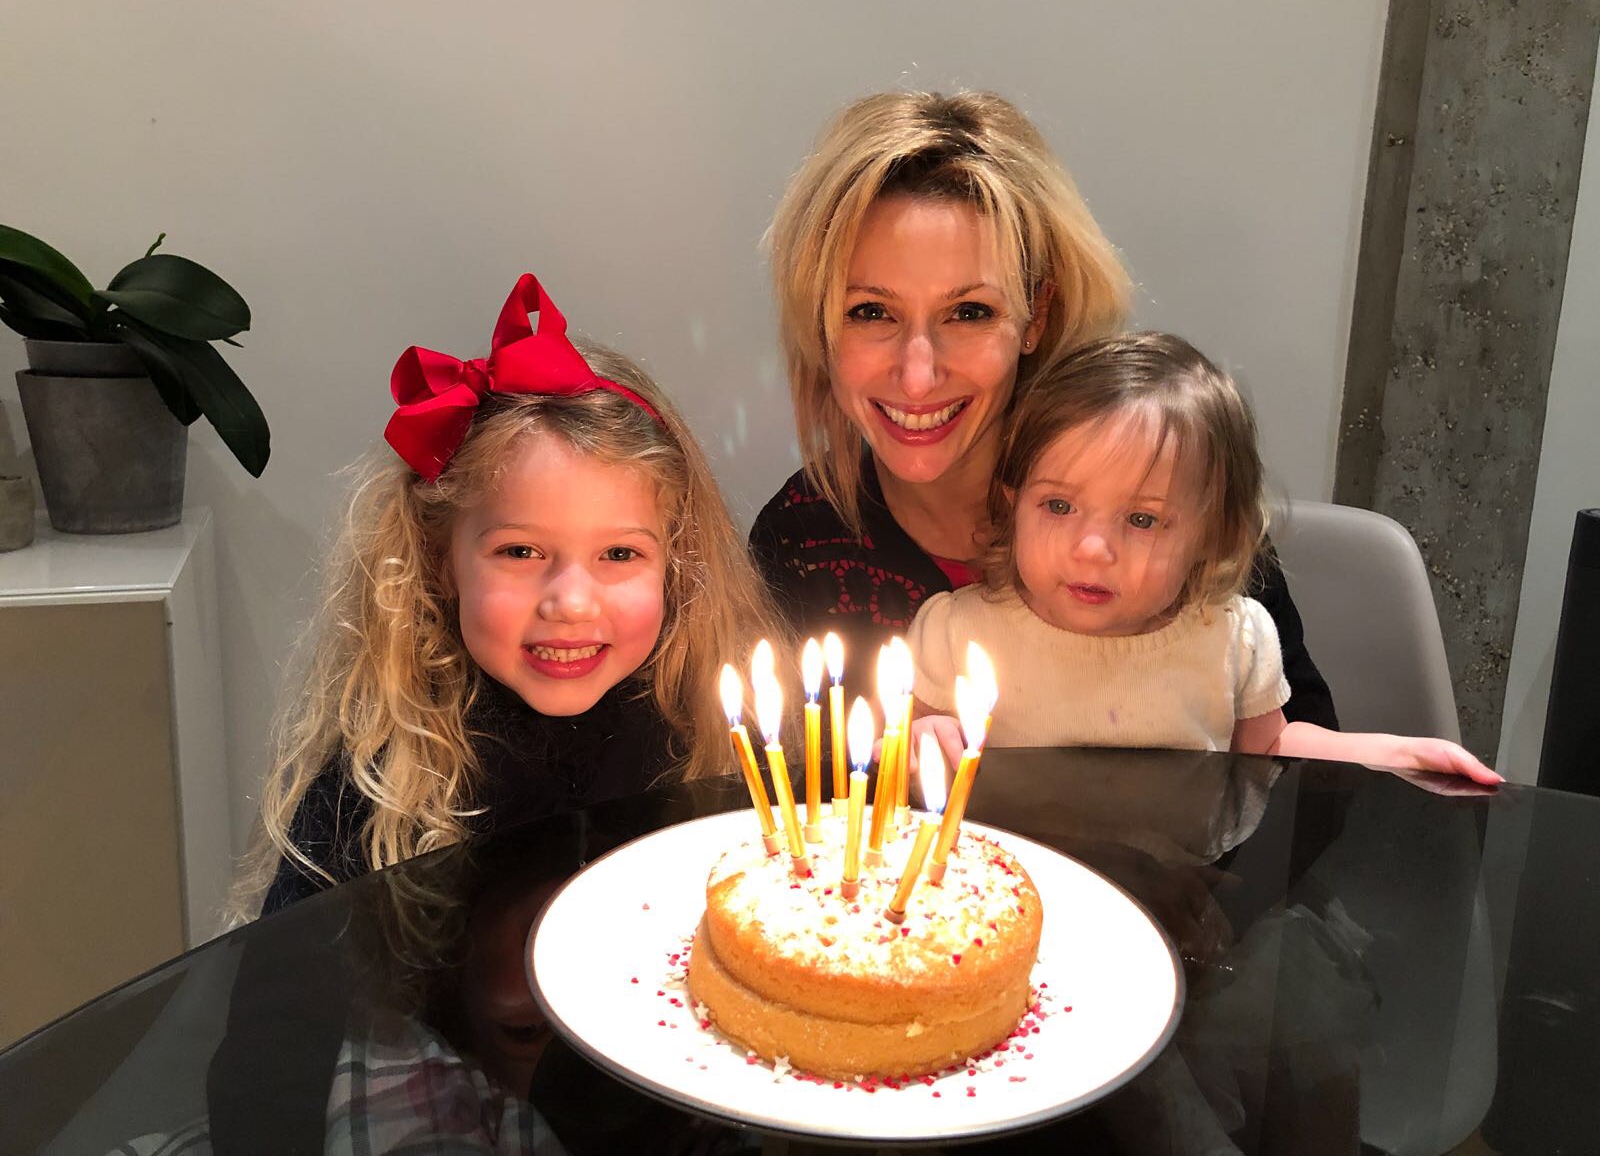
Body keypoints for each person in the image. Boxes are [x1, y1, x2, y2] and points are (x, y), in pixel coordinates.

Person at [751, 89, 1339, 729]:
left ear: (1039, 315)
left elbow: (1300, 792)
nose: (918, 375)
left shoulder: (1170, 485)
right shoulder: (800, 540)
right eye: (871, 312)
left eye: (970, 312)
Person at [234, 274, 782, 916]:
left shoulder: (717, 735)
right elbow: (290, 996)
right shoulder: (384, 770)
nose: (572, 602)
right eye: (521, 552)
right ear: (440, 561)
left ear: (676, 563)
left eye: (619, 554)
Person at [906, 331, 1500, 783]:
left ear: (1213, 536)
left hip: (1181, 908)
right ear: (1013, 505)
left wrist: (1393, 753)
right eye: (1058, 506)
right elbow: (909, 762)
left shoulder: (1232, 640)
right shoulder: (956, 631)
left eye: (1142, 520)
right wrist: (917, 740)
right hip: (1013, 906)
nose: (1092, 549)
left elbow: (1269, 749)